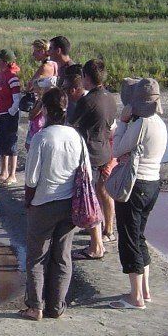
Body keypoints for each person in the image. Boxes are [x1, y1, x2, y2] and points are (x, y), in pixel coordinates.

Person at [19, 88, 86, 321]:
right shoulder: (76, 136)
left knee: (37, 256)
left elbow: (31, 179)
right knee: (62, 256)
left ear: (46, 109)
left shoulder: (42, 137)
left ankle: (35, 306)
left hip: (44, 203)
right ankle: (56, 306)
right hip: (69, 204)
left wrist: (28, 202)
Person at [107, 78, 167, 310]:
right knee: (139, 236)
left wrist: (122, 123)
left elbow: (117, 149)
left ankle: (136, 297)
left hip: (136, 185)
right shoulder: (159, 123)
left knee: (130, 240)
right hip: (152, 183)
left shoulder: (142, 123)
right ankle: (144, 291)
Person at [69, 59, 119, 260]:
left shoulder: (88, 101)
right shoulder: (110, 98)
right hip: (105, 150)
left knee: (89, 197)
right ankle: (109, 230)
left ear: (86, 78)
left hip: (90, 153)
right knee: (103, 192)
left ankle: (96, 244)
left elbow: (71, 126)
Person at [0, 49, 23, 185]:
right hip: (1, 112)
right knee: (2, 142)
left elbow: (17, 100)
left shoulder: (12, 77)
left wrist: (10, 112)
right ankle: (3, 172)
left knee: (11, 143)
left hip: (10, 115)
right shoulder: (0, 74)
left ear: (5, 62)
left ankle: (12, 174)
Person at [25, 39, 59, 151]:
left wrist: (33, 85)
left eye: (35, 51)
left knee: (32, 144)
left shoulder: (45, 67)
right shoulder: (54, 64)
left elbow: (31, 86)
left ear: (43, 51)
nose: (33, 54)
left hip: (41, 106)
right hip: (47, 105)